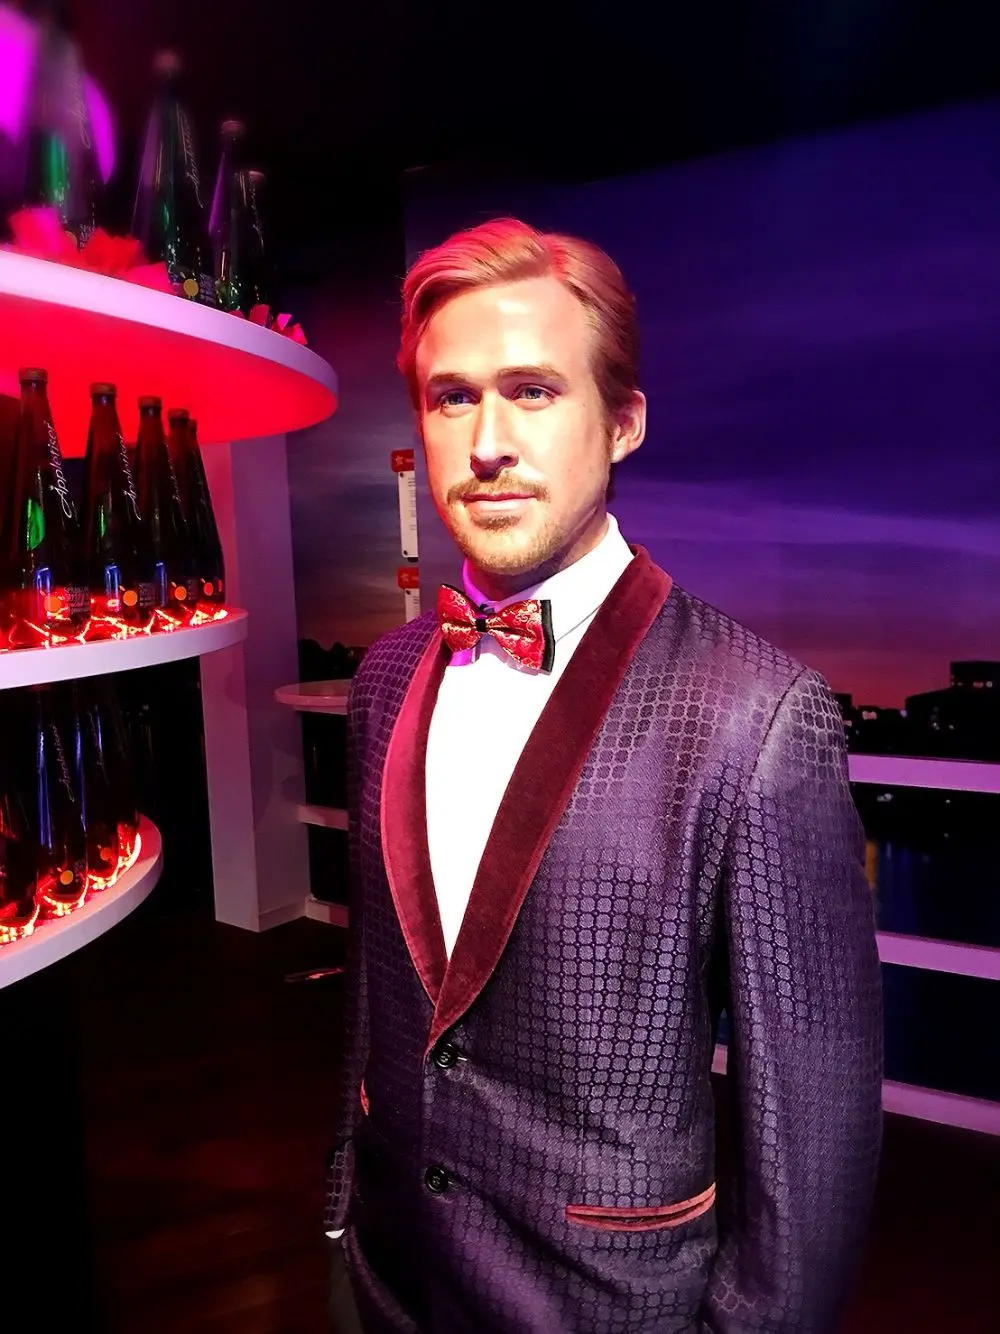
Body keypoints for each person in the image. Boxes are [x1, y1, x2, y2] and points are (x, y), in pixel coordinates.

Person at [325, 217, 883, 1333]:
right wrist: (344, 1209)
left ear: (622, 421)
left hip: (606, 1308)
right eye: (451, 397)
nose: (487, 442)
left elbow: (811, 1141)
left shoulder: (755, 714)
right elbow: (378, 997)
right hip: (391, 1281)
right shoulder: (384, 679)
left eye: (533, 391)